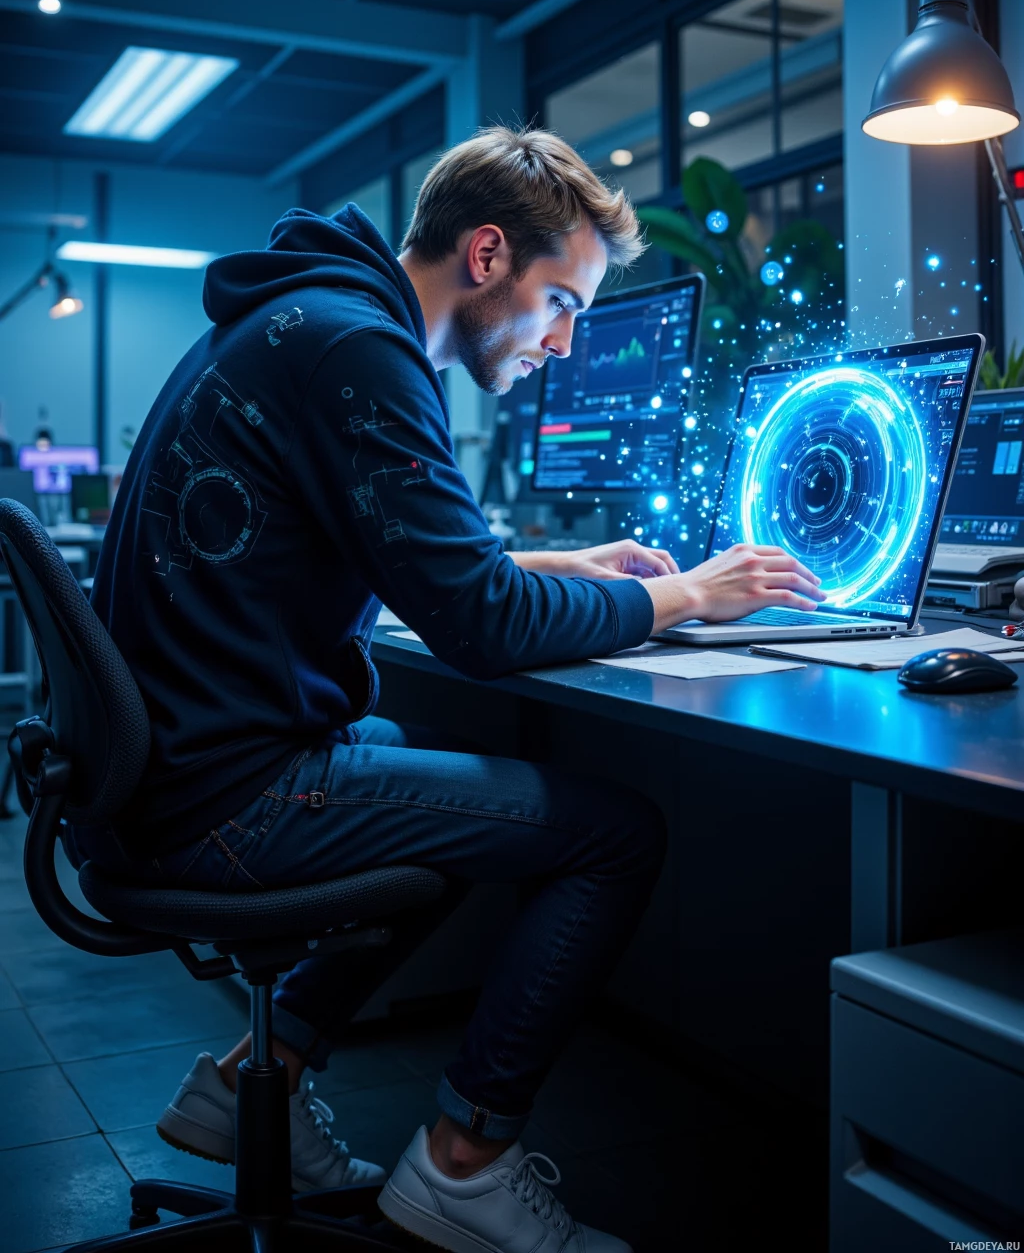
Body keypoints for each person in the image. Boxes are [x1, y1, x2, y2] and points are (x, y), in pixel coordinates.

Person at [66, 127, 823, 1253]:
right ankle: (466, 1165)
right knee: (611, 835)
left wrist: (560, 565)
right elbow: (478, 625)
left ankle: (251, 1078)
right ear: (485, 257)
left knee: (426, 760)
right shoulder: (358, 353)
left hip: (166, 777)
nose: (563, 342)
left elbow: (422, 561)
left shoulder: (310, 320)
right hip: (218, 804)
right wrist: (691, 597)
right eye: (560, 300)